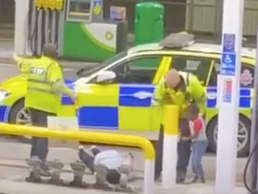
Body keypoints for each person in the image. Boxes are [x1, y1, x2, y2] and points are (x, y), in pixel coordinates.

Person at [23, 43, 77, 175]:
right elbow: (57, 86)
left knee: (36, 135)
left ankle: (34, 162)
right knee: (43, 137)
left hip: (32, 103)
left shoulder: (35, 64)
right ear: (54, 55)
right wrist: (72, 94)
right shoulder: (52, 66)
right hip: (46, 106)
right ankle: (40, 166)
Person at [152, 69, 206, 181]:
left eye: (173, 86)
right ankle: (156, 172)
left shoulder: (192, 82)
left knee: (184, 145)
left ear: (178, 81)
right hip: (169, 115)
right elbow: (156, 104)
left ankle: (180, 173)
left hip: (186, 114)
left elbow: (201, 100)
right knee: (162, 145)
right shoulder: (162, 85)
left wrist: (197, 115)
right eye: (169, 86)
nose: (171, 88)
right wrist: (167, 122)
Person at [186, 104, 208, 183]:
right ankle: (196, 175)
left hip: (200, 142)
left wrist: (186, 138)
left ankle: (201, 176)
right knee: (193, 160)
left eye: (188, 114)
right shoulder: (191, 121)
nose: (187, 115)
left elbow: (195, 135)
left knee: (196, 160)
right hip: (195, 143)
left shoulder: (198, 121)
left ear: (194, 114)